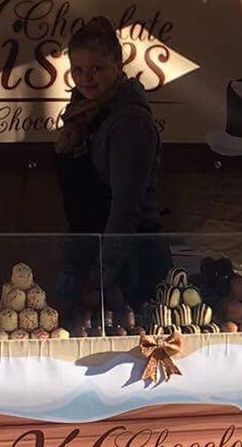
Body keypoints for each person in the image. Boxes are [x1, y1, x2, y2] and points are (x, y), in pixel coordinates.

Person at [53, 16, 167, 314]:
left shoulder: (130, 122)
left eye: (97, 69)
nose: (86, 78)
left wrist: (101, 276)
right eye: (78, 69)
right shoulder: (84, 114)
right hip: (88, 251)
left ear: (118, 66)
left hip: (126, 265)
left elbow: (126, 207)